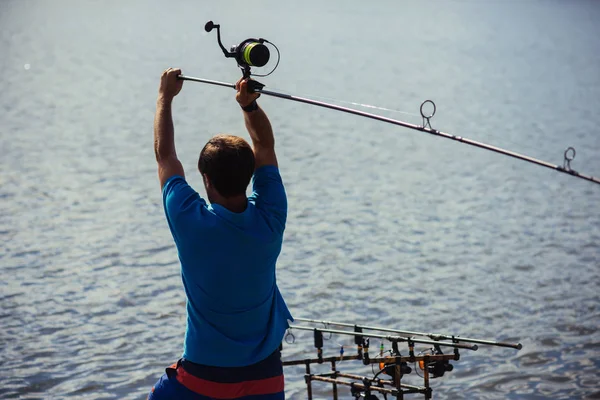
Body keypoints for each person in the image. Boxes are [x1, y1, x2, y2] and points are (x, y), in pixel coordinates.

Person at [148, 68, 293, 400]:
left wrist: (164, 97)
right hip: (266, 377)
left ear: (206, 180)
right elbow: (265, 145)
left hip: (203, 378)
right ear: (249, 174)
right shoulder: (271, 217)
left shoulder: (190, 222)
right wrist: (249, 106)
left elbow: (165, 156)